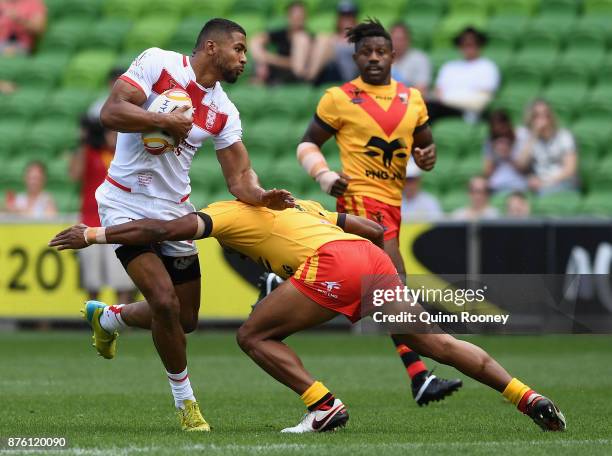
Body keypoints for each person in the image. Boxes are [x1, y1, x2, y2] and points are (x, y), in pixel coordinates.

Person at [50, 199, 567, 434]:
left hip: (336, 265)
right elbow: (366, 225)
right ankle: (527, 396)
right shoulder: (301, 205)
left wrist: (94, 235)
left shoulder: (226, 210)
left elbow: (162, 231)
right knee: (434, 342)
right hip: (368, 257)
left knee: (252, 335)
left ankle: (323, 406)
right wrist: (383, 260)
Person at [90, 18, 294, 432]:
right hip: (123, 202)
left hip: (174, 212)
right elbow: (111, 112)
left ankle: (109, 317)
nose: (244, 58)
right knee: (163, 302)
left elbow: (239, 176)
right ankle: (187, 404)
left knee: (184, 319)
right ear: (212, 48)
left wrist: (259, 195)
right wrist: (161, 121)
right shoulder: (158, 63)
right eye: (239, 49)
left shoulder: (223, 110)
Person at [296, 19, 461, 405]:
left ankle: (287, 276)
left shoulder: (413, 99)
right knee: (395, 283)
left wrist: (428, 155)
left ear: (392, 55)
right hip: (359, 202)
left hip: (392, 205)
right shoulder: (338, 98)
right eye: (366, 52)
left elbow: (425, 147)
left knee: (376, 291)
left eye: (380, 52)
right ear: (355, 57)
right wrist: (323, 175)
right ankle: (420, 376)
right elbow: (307, 144)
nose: (373, 58)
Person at [70, 117, 136, 304]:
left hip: (119, 222)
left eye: (117, 132)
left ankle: (120, 320)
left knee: (121, 280)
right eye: (110, 132)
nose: (113, 136)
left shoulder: (127, 155)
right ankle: (95, 321)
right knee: (92, 281)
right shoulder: (90, 153)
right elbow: (75, 174)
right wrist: (83, 142)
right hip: (91, 221)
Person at [428, 26, 500, 123]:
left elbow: (483, 98)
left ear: (479, 45)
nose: (468, 47)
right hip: (443, 109)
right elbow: (438, 93)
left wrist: (448, 100)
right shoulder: (449, 67)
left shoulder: (488, 67)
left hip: (467, 113)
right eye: (465, 44)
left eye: (472, 43)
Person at [515, 99, 578, 195]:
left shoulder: (564, 136)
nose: (542, 119)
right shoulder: (529, 139)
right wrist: (534, 135)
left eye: (545, 114)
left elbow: (570, 170)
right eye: (536, 116)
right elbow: (521, 165)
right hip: (540, 184)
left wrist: (546, 182)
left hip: (562, 183)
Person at [250, 1, 311, 85]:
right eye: (295, 16)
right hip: (275, 73)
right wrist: (262, 61)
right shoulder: (282, 33)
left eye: (300, 17)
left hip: (295, 77)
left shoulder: (308, 38)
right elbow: (256, 41)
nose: (297, 19)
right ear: (288, 17)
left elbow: (298, 66)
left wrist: (271, 59)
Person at [304, 0, 359, 85]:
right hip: (327, 72)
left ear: (355, 18)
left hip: (343, 75)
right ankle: (306, 75)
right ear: (338, 18)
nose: (346, 19)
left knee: (323, 39)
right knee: (318, 38)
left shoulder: (359, 38)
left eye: (349, 16)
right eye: (343, 16)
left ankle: (309, 77)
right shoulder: (331, 37)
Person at [483, 110, 529, 193]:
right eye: (497, 132)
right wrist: (494, 153)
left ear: (508, 124)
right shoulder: (490, 140)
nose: (501, 134)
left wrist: (508, 154)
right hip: (496, 184)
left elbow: (524, 169)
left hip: (519, 182)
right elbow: (487, 173)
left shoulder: (522, 135)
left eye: (502, 129)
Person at [389, 22, 431, 96]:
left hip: (410, 103)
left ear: (408, 40)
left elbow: (421, 90)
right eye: (394, 39)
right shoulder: (381, 58)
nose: (397, 43)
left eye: (400, 39)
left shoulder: (420, 59)